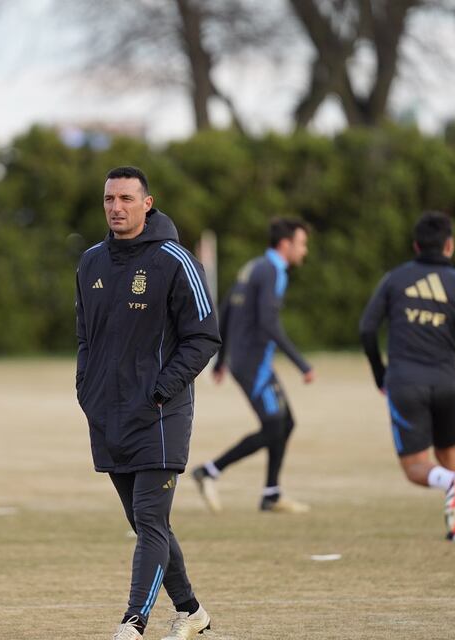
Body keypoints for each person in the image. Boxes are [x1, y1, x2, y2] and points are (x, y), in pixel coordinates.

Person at [76, 166, 222, 640]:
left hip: (162, 414)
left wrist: (161, 390)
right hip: (108, 413)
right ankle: (192, 611)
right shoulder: (90, 263)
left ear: (147, 203)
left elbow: (204, 337)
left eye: (126, 199)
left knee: (151, 519)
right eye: (109, 199)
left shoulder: (175, 260)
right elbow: (85, 338)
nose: (116, 207)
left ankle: (133, 622)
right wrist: (86, 390)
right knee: (144, 522)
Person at [358, 211, 455, 542]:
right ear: (449, 245)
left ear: (416, 246)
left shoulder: (395, 279)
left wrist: (379, 374)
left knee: (416, 466)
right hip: (447, 385)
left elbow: (367, 328)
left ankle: (450, 483)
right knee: (448, 452)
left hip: (406, 384)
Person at [191, 218, 315, 515]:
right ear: (285, 244)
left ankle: (271, 494)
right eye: (301, 244)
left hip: (246, 360)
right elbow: (268, 323)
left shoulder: (254, 266)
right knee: (273, 427)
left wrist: (222, 359)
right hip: (253, 364)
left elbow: (227, 309)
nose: (304, 251)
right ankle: (209, 471)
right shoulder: (273, 271)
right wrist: (301, 364)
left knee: (285, 423)